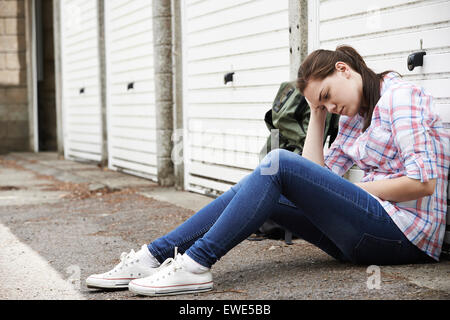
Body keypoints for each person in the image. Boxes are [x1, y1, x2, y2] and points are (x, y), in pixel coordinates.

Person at [86, 45, 450, 297]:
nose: (329, 105)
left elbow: (422, 183)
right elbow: (315, 175)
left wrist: (358, 193)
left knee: (278, 164)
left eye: (325, 95)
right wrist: (317, 115)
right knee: (261, 182)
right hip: (363, 238)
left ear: (344, 69)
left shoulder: (401, 97)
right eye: (320, 103)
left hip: (407, 237)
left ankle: (195, 265)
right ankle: (154, 255)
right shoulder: (354, 119)